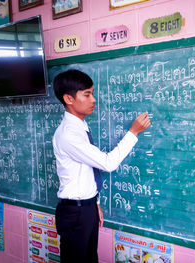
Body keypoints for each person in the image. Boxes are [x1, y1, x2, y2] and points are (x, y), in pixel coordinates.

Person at [52, 69, 151, 263]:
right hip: (75, 213)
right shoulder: (69, 134)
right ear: (68, 99)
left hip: (84, 208)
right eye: (87, 94)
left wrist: (93, 203)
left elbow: (85, 172)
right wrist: (133, 132)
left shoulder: (80, 127)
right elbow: (108, 163)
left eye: (92, 93)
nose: (94, 99)